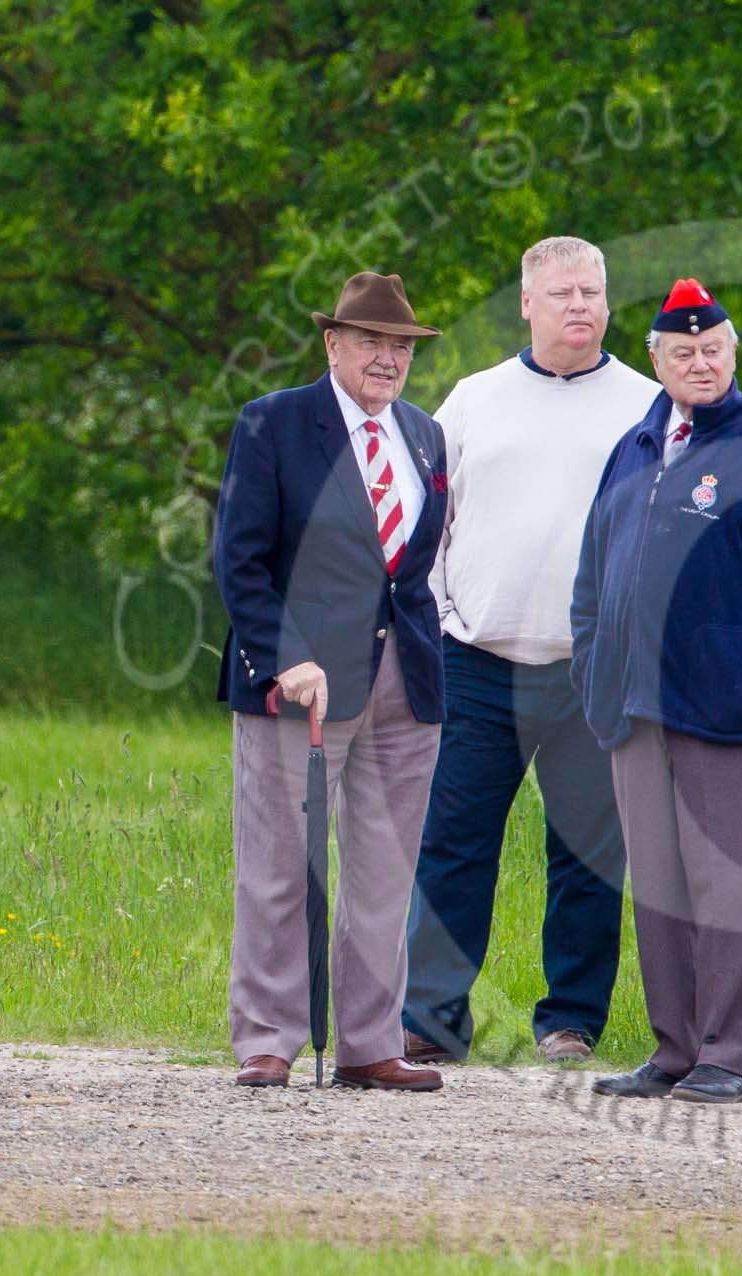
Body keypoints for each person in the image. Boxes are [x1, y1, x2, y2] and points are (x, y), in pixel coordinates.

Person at [573, 279, 742, 1105]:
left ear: (734, 353)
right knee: (658, 885)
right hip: (635, 707)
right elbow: (593, 572)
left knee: (726, 886)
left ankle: (728, 1052)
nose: (700, 361)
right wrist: (594, 667)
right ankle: (674, 1047)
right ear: (657, 359)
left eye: (714, 349)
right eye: (683, 352)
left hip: (727, 708)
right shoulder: (635, 444)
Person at [401, 237, 658, 1064]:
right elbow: (427, 516)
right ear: (526, 302)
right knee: (453, 840)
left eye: (591, 291)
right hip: (478, 659)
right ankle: (432, 1017)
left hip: (594, 668)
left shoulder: (648, 405)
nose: (579, 305)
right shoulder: (475, 400)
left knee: (588, 851)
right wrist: (440, 614)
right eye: (561, 292)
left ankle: (571, 1019)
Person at [212, 271, 450, 1092]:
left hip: (406, 680)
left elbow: (411, 571)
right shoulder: (275, 423)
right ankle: (270, 1036)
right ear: (333, 344)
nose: (389, 359)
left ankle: (368, 1041)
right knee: (281, 862)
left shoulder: (424, 435)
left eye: (401, 347)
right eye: (372, 342)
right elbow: (238, 560)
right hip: (301, 682)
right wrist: (287, 654)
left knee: (385, 870)